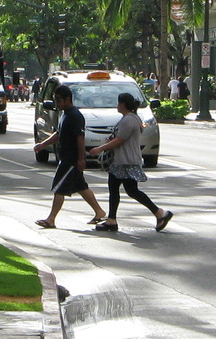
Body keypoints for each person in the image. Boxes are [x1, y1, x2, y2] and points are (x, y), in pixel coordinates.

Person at [90, 92, 173, 232]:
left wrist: (100, 148)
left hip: (125, 161)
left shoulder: (129, 120)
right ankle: (113, 219)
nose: (117, 105)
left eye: (118, 103)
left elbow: (119, 140)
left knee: (127, 190)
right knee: (122, 189)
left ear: (123, 104)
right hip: (124, 160)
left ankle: (159, 213)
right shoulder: (131, 118)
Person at [32, 82, 103, 228]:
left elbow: (80, 138)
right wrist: (42, 145)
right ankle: (99, 211)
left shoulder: (75, 116)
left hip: (71, 160)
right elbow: (58, 134)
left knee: (59, 188)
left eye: (59, 100)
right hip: (65, 158)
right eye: (55, 100)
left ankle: (51, 219)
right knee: (81, 187)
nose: (56, 103)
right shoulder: (65, 115)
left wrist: (81, 159)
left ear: (67, 99)